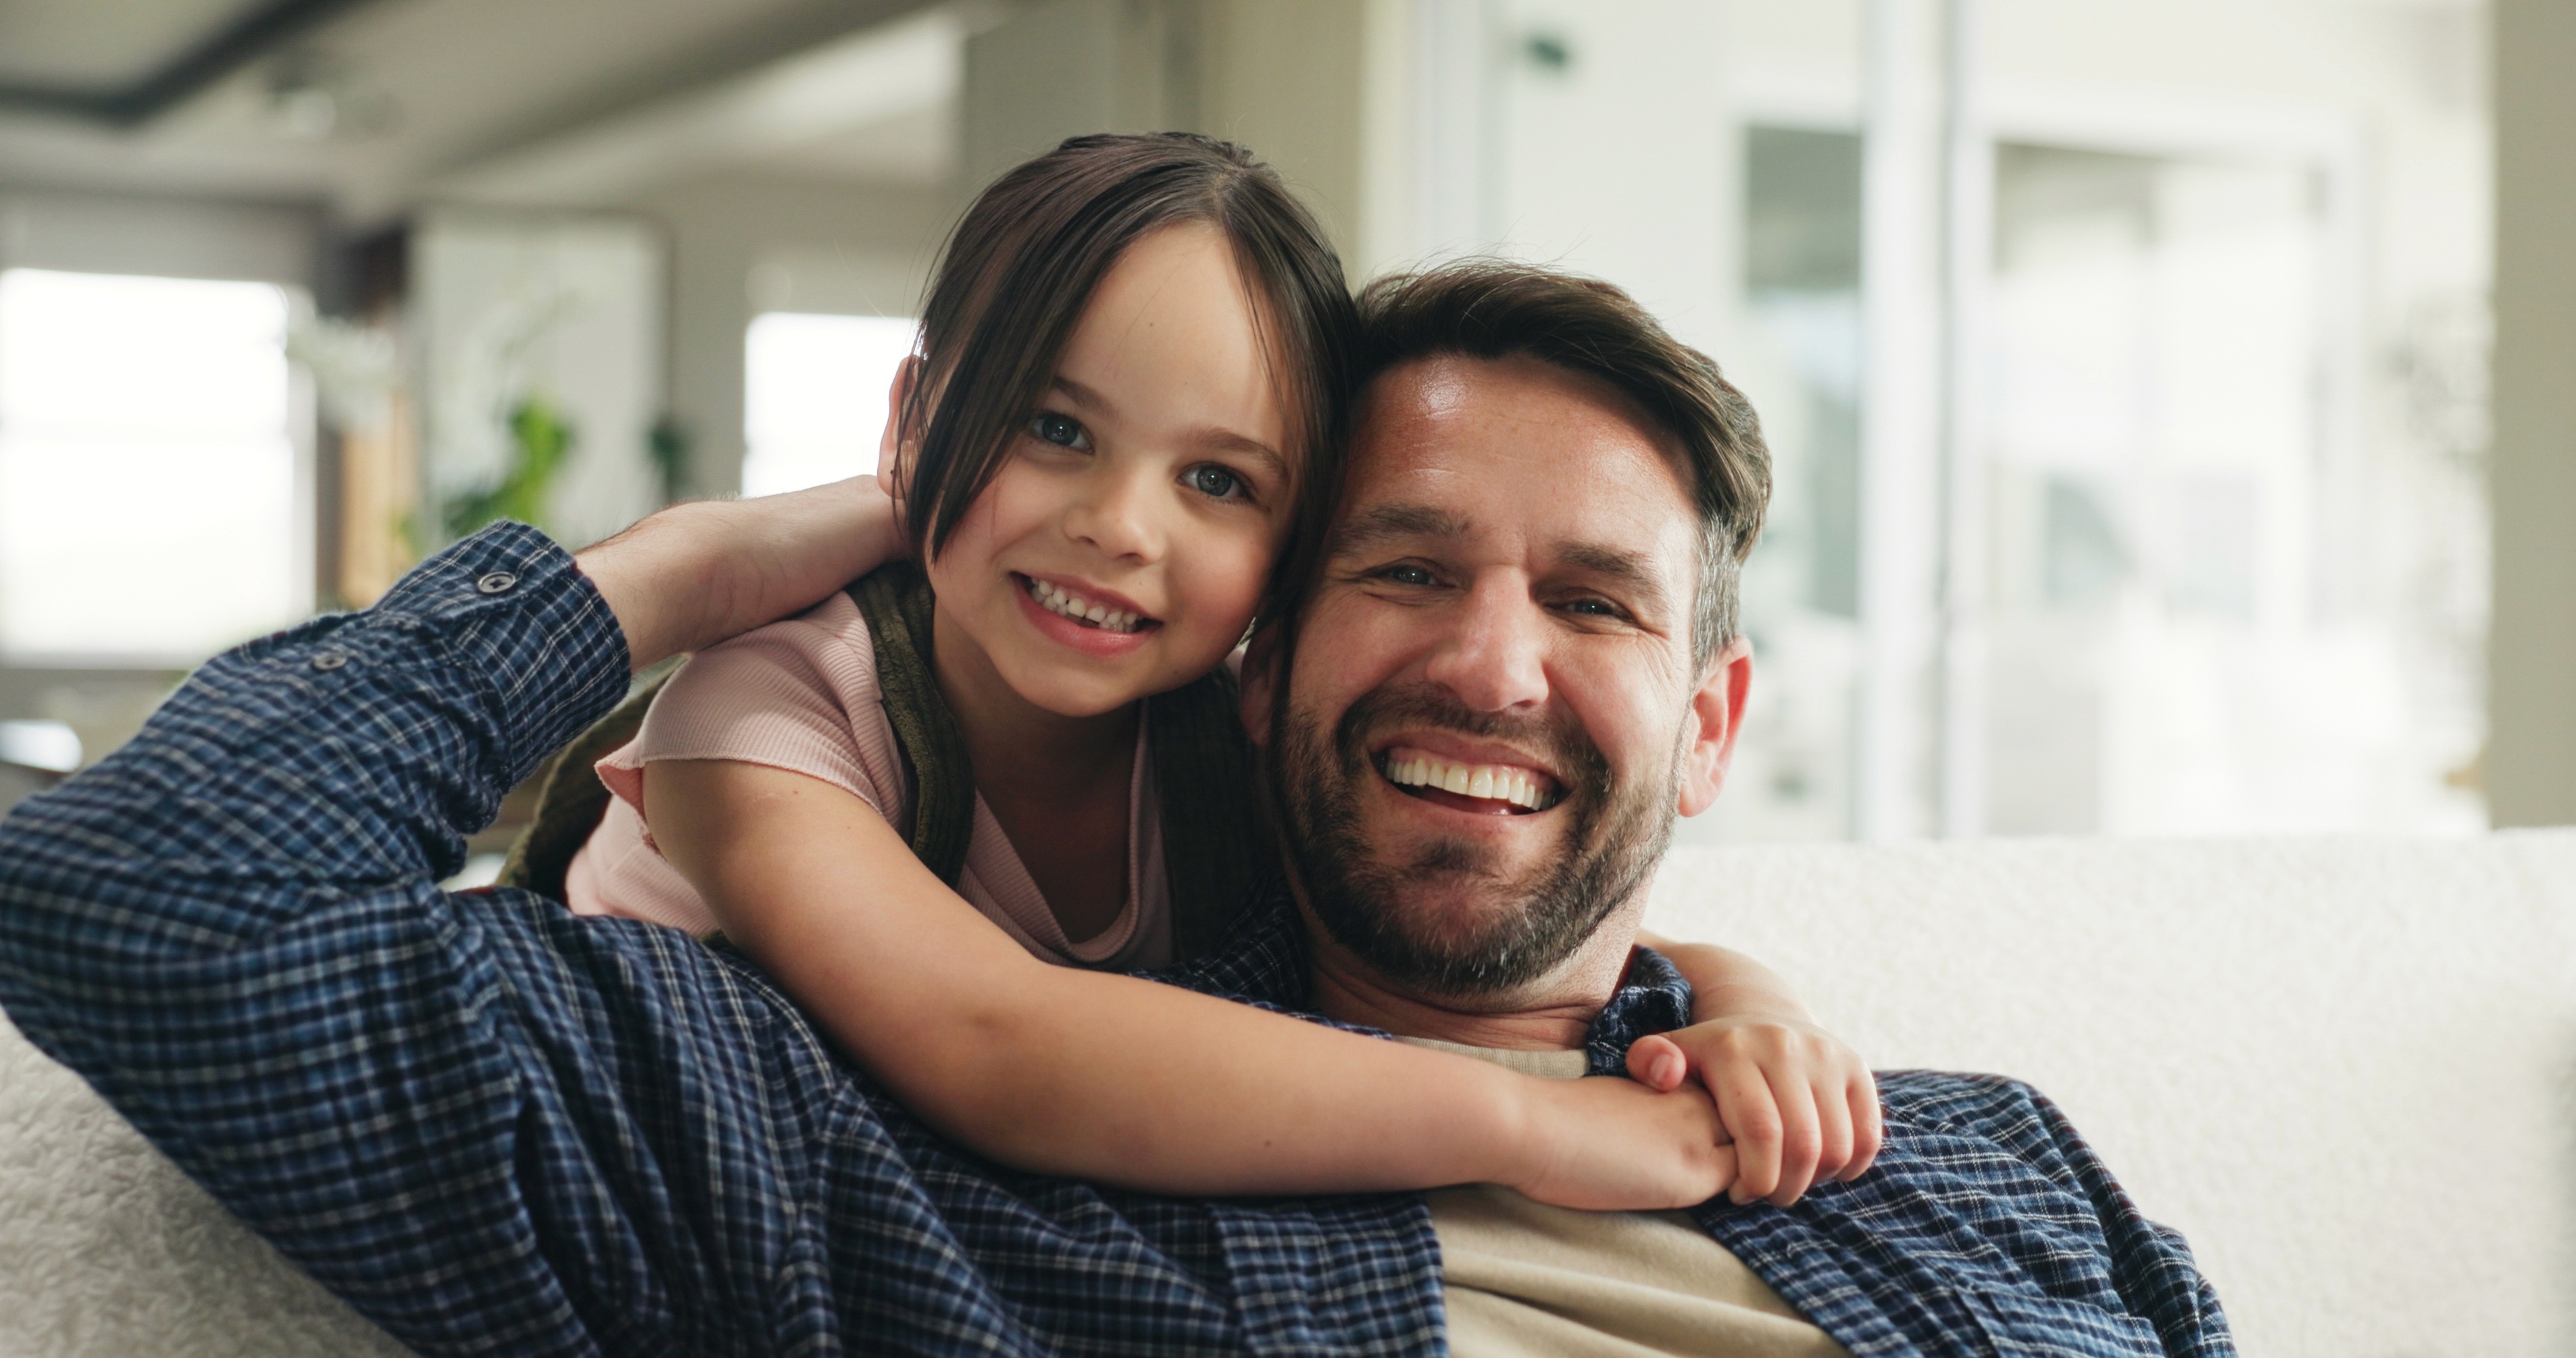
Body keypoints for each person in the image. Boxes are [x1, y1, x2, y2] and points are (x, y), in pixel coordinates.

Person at [0, 259, 2231, 1357]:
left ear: (1710, 722)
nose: (1492, 660)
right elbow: (158, 900)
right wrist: (688, 569)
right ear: (1255, 653)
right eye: (1404, 568)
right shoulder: (857, 1139)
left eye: (1592, 602)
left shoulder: (1986, 1166)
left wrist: (1715, 1006)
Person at [560, 131, 1877, 1209]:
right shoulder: (766, 712)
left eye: (1215, 479)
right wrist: (1535, 1133)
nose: (1122, 527)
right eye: (1054, 426)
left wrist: (1754, 1015)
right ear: (913, 421)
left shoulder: (1215, 743)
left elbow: (1565, 923)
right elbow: (994, 1046)